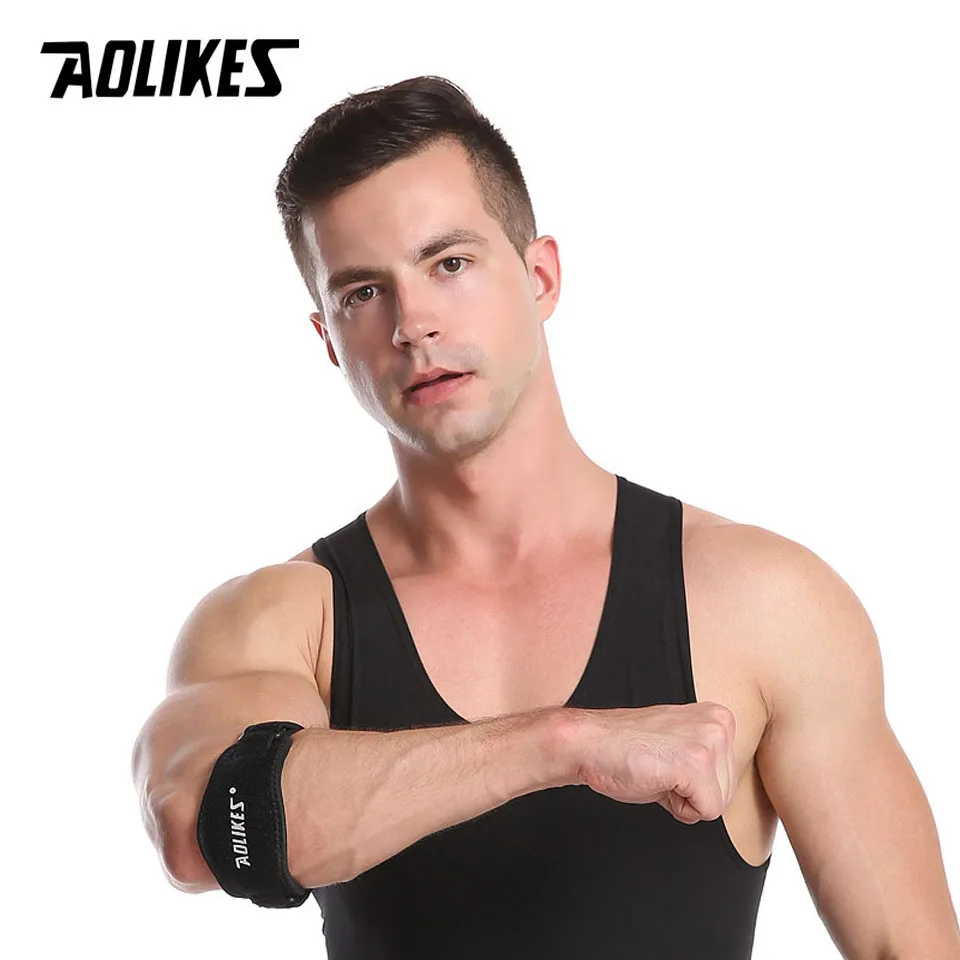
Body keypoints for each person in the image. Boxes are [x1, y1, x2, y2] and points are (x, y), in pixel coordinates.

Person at [131, 76, 960, 958]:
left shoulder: (762, 600)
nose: (414, 323)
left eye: (450, 264)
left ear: (541, 277)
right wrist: (565, 744)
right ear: (329, 339)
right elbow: (204, 830)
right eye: (364, 293)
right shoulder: (281, 620)